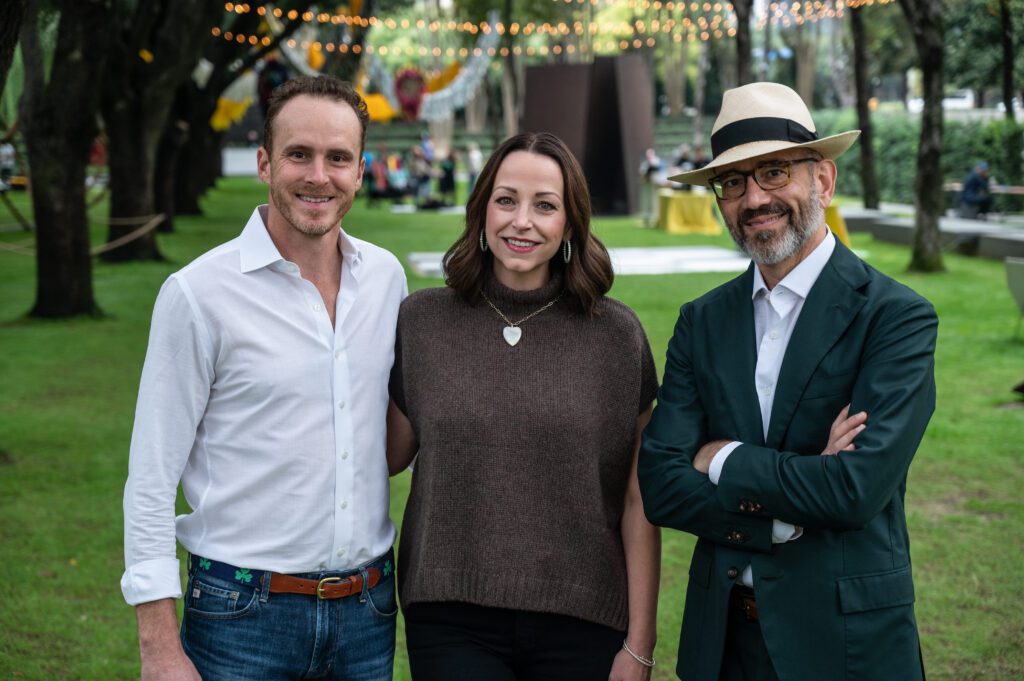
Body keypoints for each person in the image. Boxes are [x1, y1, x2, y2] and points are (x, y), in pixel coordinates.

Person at [638, 82, 937, 681]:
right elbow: (662, 484)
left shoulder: (894, 316)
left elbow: (853, 488)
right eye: (733, 182)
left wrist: (722, 456)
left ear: (822, 181)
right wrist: (783, 511)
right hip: (721, 643)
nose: (753, 198)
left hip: (845, 644)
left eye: (774, 173)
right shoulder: (702, 321)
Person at [122, 75, 407, 681]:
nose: (318, 176)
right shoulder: (198, 294)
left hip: (368, 611)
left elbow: (383, 440)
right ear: (264, 162)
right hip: (240, 617)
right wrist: (158, 649)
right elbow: (150, 480)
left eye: (338, 158)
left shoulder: (386, 280)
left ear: (361, 171)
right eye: (298, 154)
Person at [387, 132, 662, 681]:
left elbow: (639, 500)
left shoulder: (617, 335)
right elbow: (381, 456)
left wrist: (640, 645)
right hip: (448, 616)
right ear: (482, 207)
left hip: (583, 619)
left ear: (570, 223)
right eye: (506, 200)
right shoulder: (422, 322)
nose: (522, 222)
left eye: (545, 206)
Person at [638, 147, 663, 226]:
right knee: (646, 201)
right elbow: (641, 174)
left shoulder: (657, 162)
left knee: (654, 201)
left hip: (654, 185)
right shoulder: (644, 164)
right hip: (646, 185)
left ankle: (655, 219)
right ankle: (646, 218)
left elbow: (659, 173)